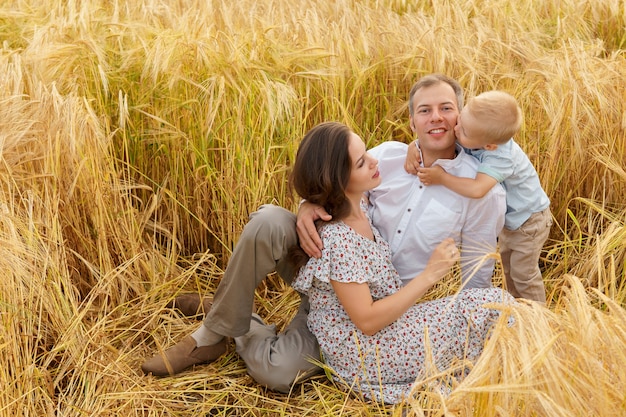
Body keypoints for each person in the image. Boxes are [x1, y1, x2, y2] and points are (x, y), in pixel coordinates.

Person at [141, 73, 506, 394]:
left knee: (280, 372)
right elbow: (332, 171)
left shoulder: (479, 190)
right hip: (325, 263)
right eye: (425, 110)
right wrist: (305, 205)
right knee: (268, 220)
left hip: (379, 310)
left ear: (461, 117)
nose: (436, 118)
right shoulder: (388, 158)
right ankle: (210, 334)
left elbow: (477, 274)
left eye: (446, 108)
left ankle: (233, 316)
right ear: (412, 121)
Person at [287, 121, 514, 403]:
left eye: (367, 154)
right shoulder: (338, 238)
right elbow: (367, 321)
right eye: (361, 162)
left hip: (381, 332)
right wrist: (430, 275)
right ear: (337, 180)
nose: (373, 160)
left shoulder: (360, 211)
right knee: (490, 309)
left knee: (494, 308)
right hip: (362, 350)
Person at [409, 90, 552, 304]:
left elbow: (477, 189)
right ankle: (519, 311)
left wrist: (442, 177)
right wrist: (414, 146)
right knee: (508, 269)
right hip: (513, 221)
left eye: (463, 131)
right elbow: (439, 141)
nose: (456, 130)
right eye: (460, 121)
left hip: (529, 222)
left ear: (489, 146)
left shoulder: (501, 157)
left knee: (524, 275)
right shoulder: (477, 135)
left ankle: (537, 319)